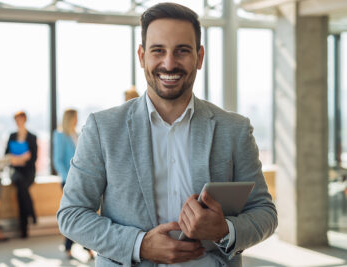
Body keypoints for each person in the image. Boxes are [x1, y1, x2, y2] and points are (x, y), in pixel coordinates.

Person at [57, 3, 277, 267]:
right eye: (158, 51)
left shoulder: (235, 129)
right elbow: (71, 215)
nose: (169, 63)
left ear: (200, 57)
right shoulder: (103, 128)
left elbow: (265, 213)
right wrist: (139, 245)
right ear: (141, 56)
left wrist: (224, 230)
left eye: (182, 51)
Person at [53, 109, 95, 260]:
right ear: (69, 118)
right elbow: (57, 160)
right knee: (74, 213)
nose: (77, 120)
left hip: (82, 179)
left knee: (83, 213)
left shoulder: (76, 134)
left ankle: (80, 247)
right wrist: (67, 179)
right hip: (68, 180)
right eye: (75, 117)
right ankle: (76, 247)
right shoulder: (59, 135)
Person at [5, 111, 37, 238]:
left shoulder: (32, 137)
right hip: (15, 171)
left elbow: (33, 158)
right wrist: (20, 159)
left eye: (20, 119)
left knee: (21, 188)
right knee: (20, 183)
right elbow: (7, 155)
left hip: (28, 171)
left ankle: (24, 228)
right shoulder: (12, 136)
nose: (18, 122)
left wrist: (19, 159)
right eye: (16, 120)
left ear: (25, 120)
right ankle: (31, 213)